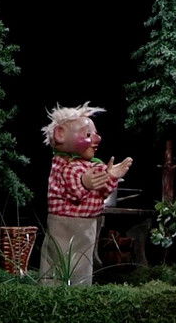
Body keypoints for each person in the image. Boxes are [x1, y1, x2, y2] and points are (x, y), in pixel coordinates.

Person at [39, 103, 133, 286]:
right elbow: (73, 190)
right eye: (88, 134)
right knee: (59, 260)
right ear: (60, 135)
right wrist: (84, 182)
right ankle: (52, 292)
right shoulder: (63, 164)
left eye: (95, 133)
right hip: (65, 224)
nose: (97, 138)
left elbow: (103, 192)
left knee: (83, 264)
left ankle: (80, 292)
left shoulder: (91, 165)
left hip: (88, 224)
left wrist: (110, 177)